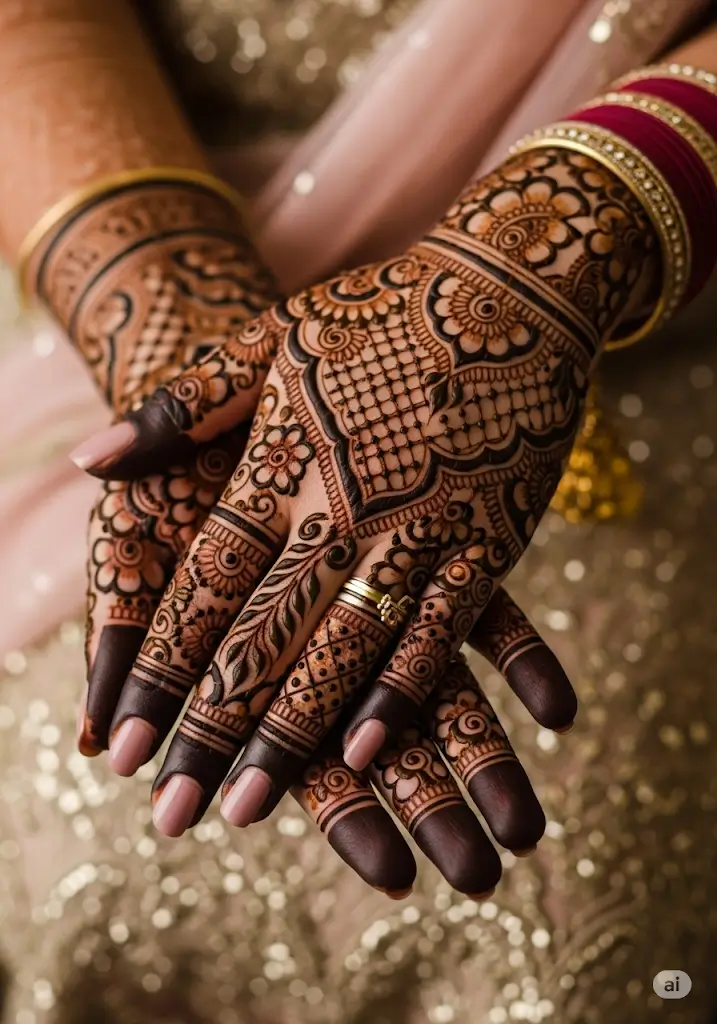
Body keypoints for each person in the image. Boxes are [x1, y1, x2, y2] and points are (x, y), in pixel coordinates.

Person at [0, 2, 716, 1022]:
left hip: (653, 343)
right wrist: (175, 328)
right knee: (69, 845)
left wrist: (540, 254)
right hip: (141, 285)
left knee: (582, 930)